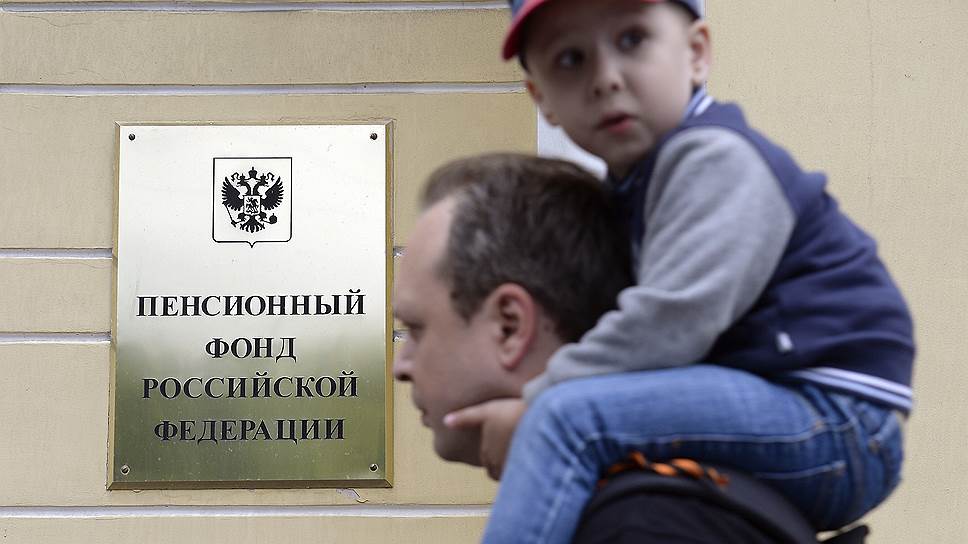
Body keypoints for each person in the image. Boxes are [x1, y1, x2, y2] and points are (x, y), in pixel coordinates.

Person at [441, 1, 915, 542]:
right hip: (795, 410)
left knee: (564, 421)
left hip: (837, 420)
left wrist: (532, 405)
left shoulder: (714, 158)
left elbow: (668, 324)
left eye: (632, 40)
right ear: (540, 98)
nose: (606, 78)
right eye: (571, 59)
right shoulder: (639, 183)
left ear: (696, 53)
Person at [391, 153, 805, 544]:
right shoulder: (665, 503)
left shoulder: (644, 527)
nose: (400, 366)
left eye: (416, 329)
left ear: (510, 326)